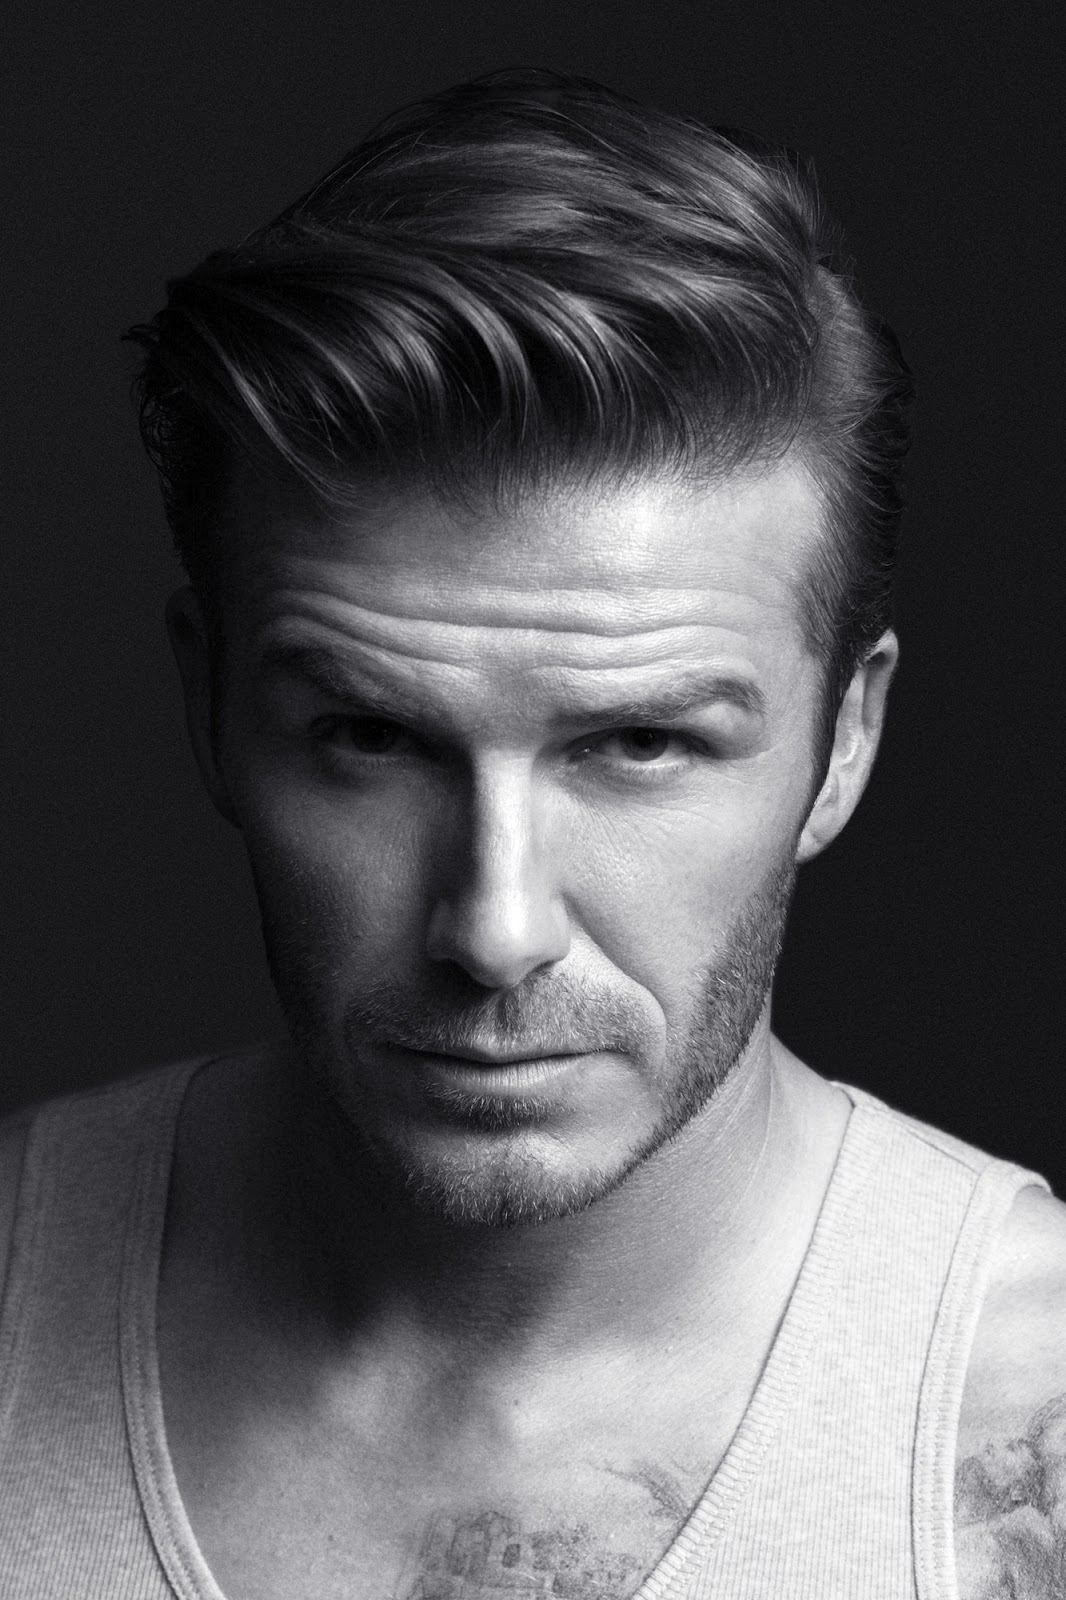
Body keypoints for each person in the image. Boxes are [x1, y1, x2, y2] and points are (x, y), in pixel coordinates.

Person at [0, 66, 1062, 1600]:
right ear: (209, 705)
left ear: (843, 741)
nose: (495, 931)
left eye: (637, 744)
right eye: (369, 738)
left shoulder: (1026, 1422)